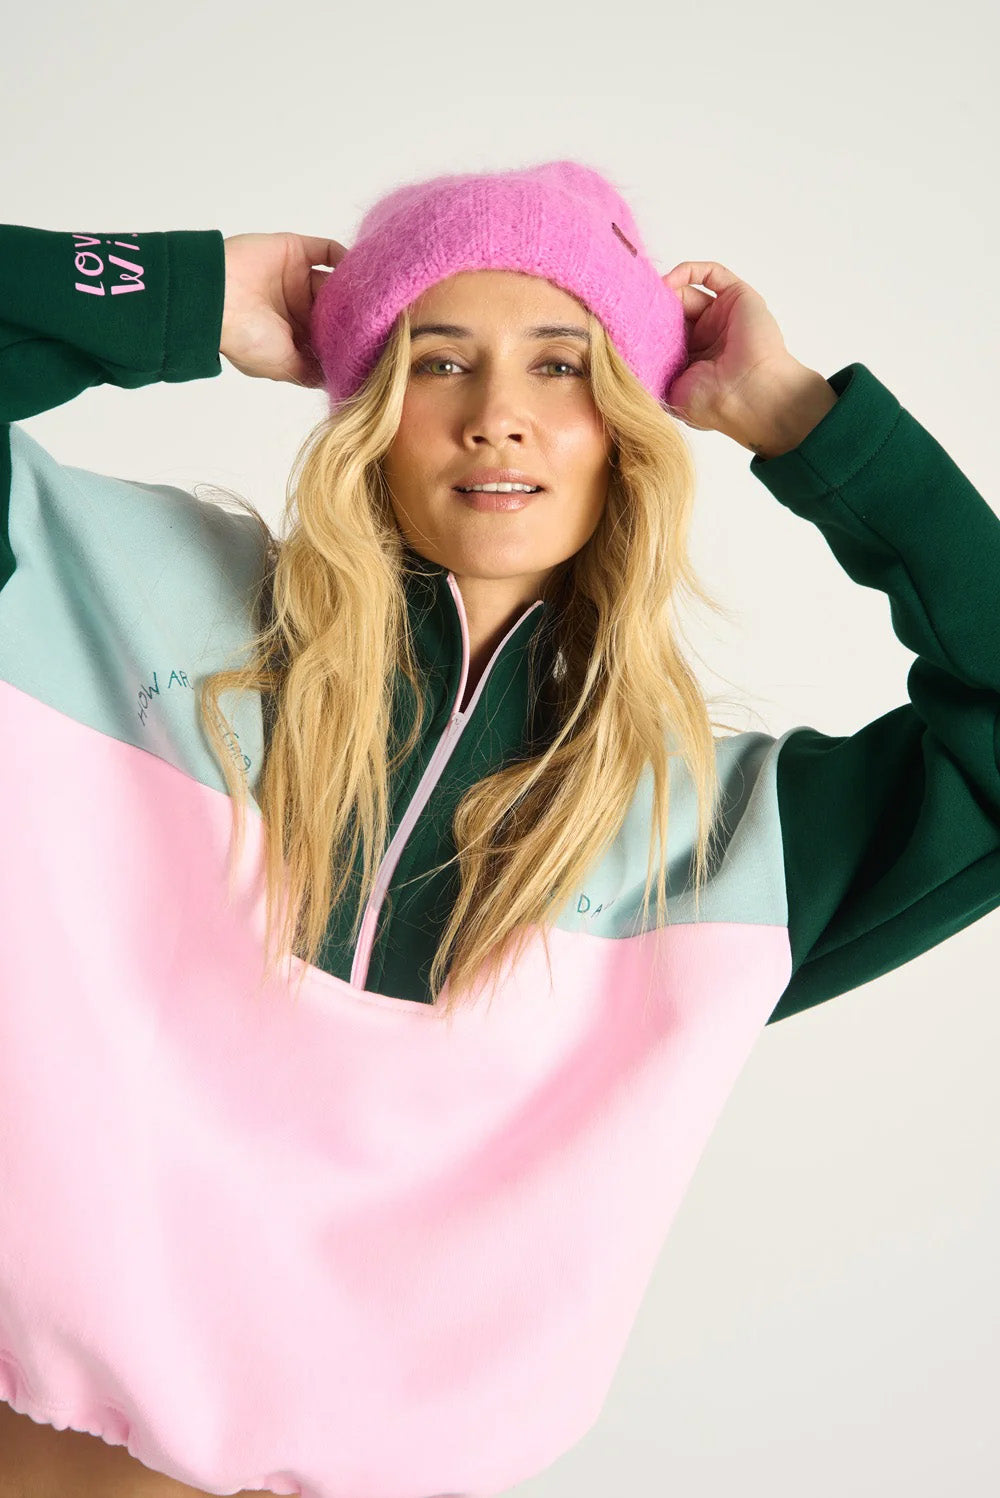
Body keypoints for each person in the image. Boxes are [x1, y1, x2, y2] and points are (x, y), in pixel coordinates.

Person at [0, 160, 997, 1498]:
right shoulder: (117, 602)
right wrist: (188, 294)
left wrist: (807, 423)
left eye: (563, 366)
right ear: (368, 408)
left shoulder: (710, 847)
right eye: (439, 361)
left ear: (626, 428)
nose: (498, 418)